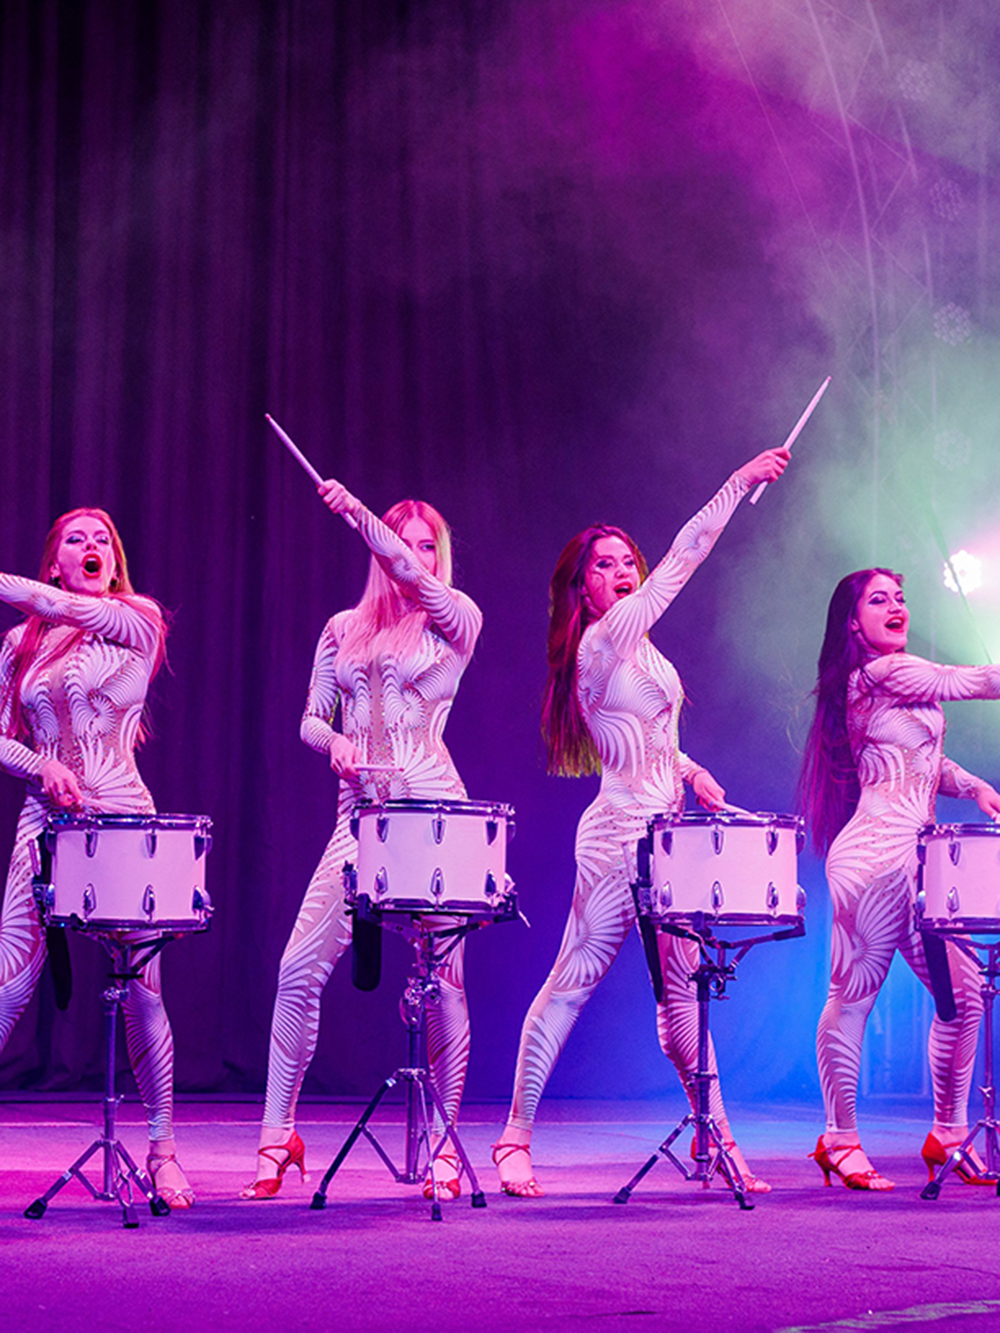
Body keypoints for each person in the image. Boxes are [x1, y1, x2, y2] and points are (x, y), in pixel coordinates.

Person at [492, 447, 790, 1198]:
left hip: (670, 835)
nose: (622, 569)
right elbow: (685, 559)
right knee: (572, 981)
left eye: (628, 559)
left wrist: (693, 771)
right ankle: (512, 1138)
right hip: (619, 835)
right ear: (581, 587)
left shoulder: (643, 652)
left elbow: (657, 742)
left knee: (682, 999)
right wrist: (737, 483)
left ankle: (712, 1136)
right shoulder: (601, 640)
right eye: (605, 564)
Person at [241, 480, 483, 1201]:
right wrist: (336, 744)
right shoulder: (341, 627)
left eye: (427, 546)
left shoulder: (456, 619)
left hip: (435, 813)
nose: (415, 557)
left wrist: (357, 514)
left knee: (444, 982)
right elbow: (311, 718)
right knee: (296, 969)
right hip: (359, 819)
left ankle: (443, 1144)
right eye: (404, 544)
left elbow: (416, 580)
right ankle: (276, 1135)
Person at [0, 509, 194, 1207]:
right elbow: (0, 737)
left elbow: (62, 606)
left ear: (113, 561)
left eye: (102, 539)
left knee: (143, 990)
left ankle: (163, 1150)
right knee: (8, 987)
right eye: (75, 539)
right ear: (53, 561)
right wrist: (41, 767)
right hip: (45, 822)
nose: (91, 547)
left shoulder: (137, 620)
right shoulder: (21, 642)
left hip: (122, 820)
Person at [799, 568, 1000, 1190]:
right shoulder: (883, 672)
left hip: (920, 857)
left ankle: (947, 1133)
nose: (897, 607)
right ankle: (839, 1139)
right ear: (853, 623)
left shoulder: (897, 682)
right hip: (873, 854)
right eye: (879, 600)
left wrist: (974, 786)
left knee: (965, 996)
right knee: (855, 993)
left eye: (901, 598)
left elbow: (924, 761)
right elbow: (970, 681)